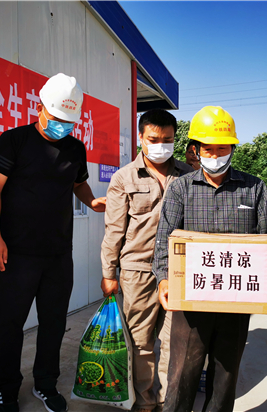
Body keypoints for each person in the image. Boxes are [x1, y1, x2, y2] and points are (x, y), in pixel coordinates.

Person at [152, 106, 267, 412]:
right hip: (190, 304)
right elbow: (164, 241)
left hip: (236, 304)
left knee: (224, 380)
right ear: (195, 150)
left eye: (222, 149)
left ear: (232, 149)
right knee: (181, 377)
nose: (215, 155)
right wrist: (163, 279)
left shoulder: (253, 188)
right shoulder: (181, 189)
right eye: (208, 149)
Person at [0, 73, 106, 412]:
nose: (62, 126)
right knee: (10, 324)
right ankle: (8, 390)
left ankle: (46, 384)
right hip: (16, 254)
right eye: (56, 118)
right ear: (41, 107)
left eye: (68, 121)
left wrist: (92, 201)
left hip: (58, 254)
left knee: (54, 322)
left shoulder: (75, 148)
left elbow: (78, 184)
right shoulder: (14, 141)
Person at [100, 109, 193, 412]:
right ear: (140, 137)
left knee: (175, 339)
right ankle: (144, 399)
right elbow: (114, 230)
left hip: (179, 270)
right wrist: (108, 272)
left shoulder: (189, 175)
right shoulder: (124, 178)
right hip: (137, 270)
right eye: (153, 139)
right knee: (140, 341)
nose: (160, 145)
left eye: (167, 139)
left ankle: (167, 399)